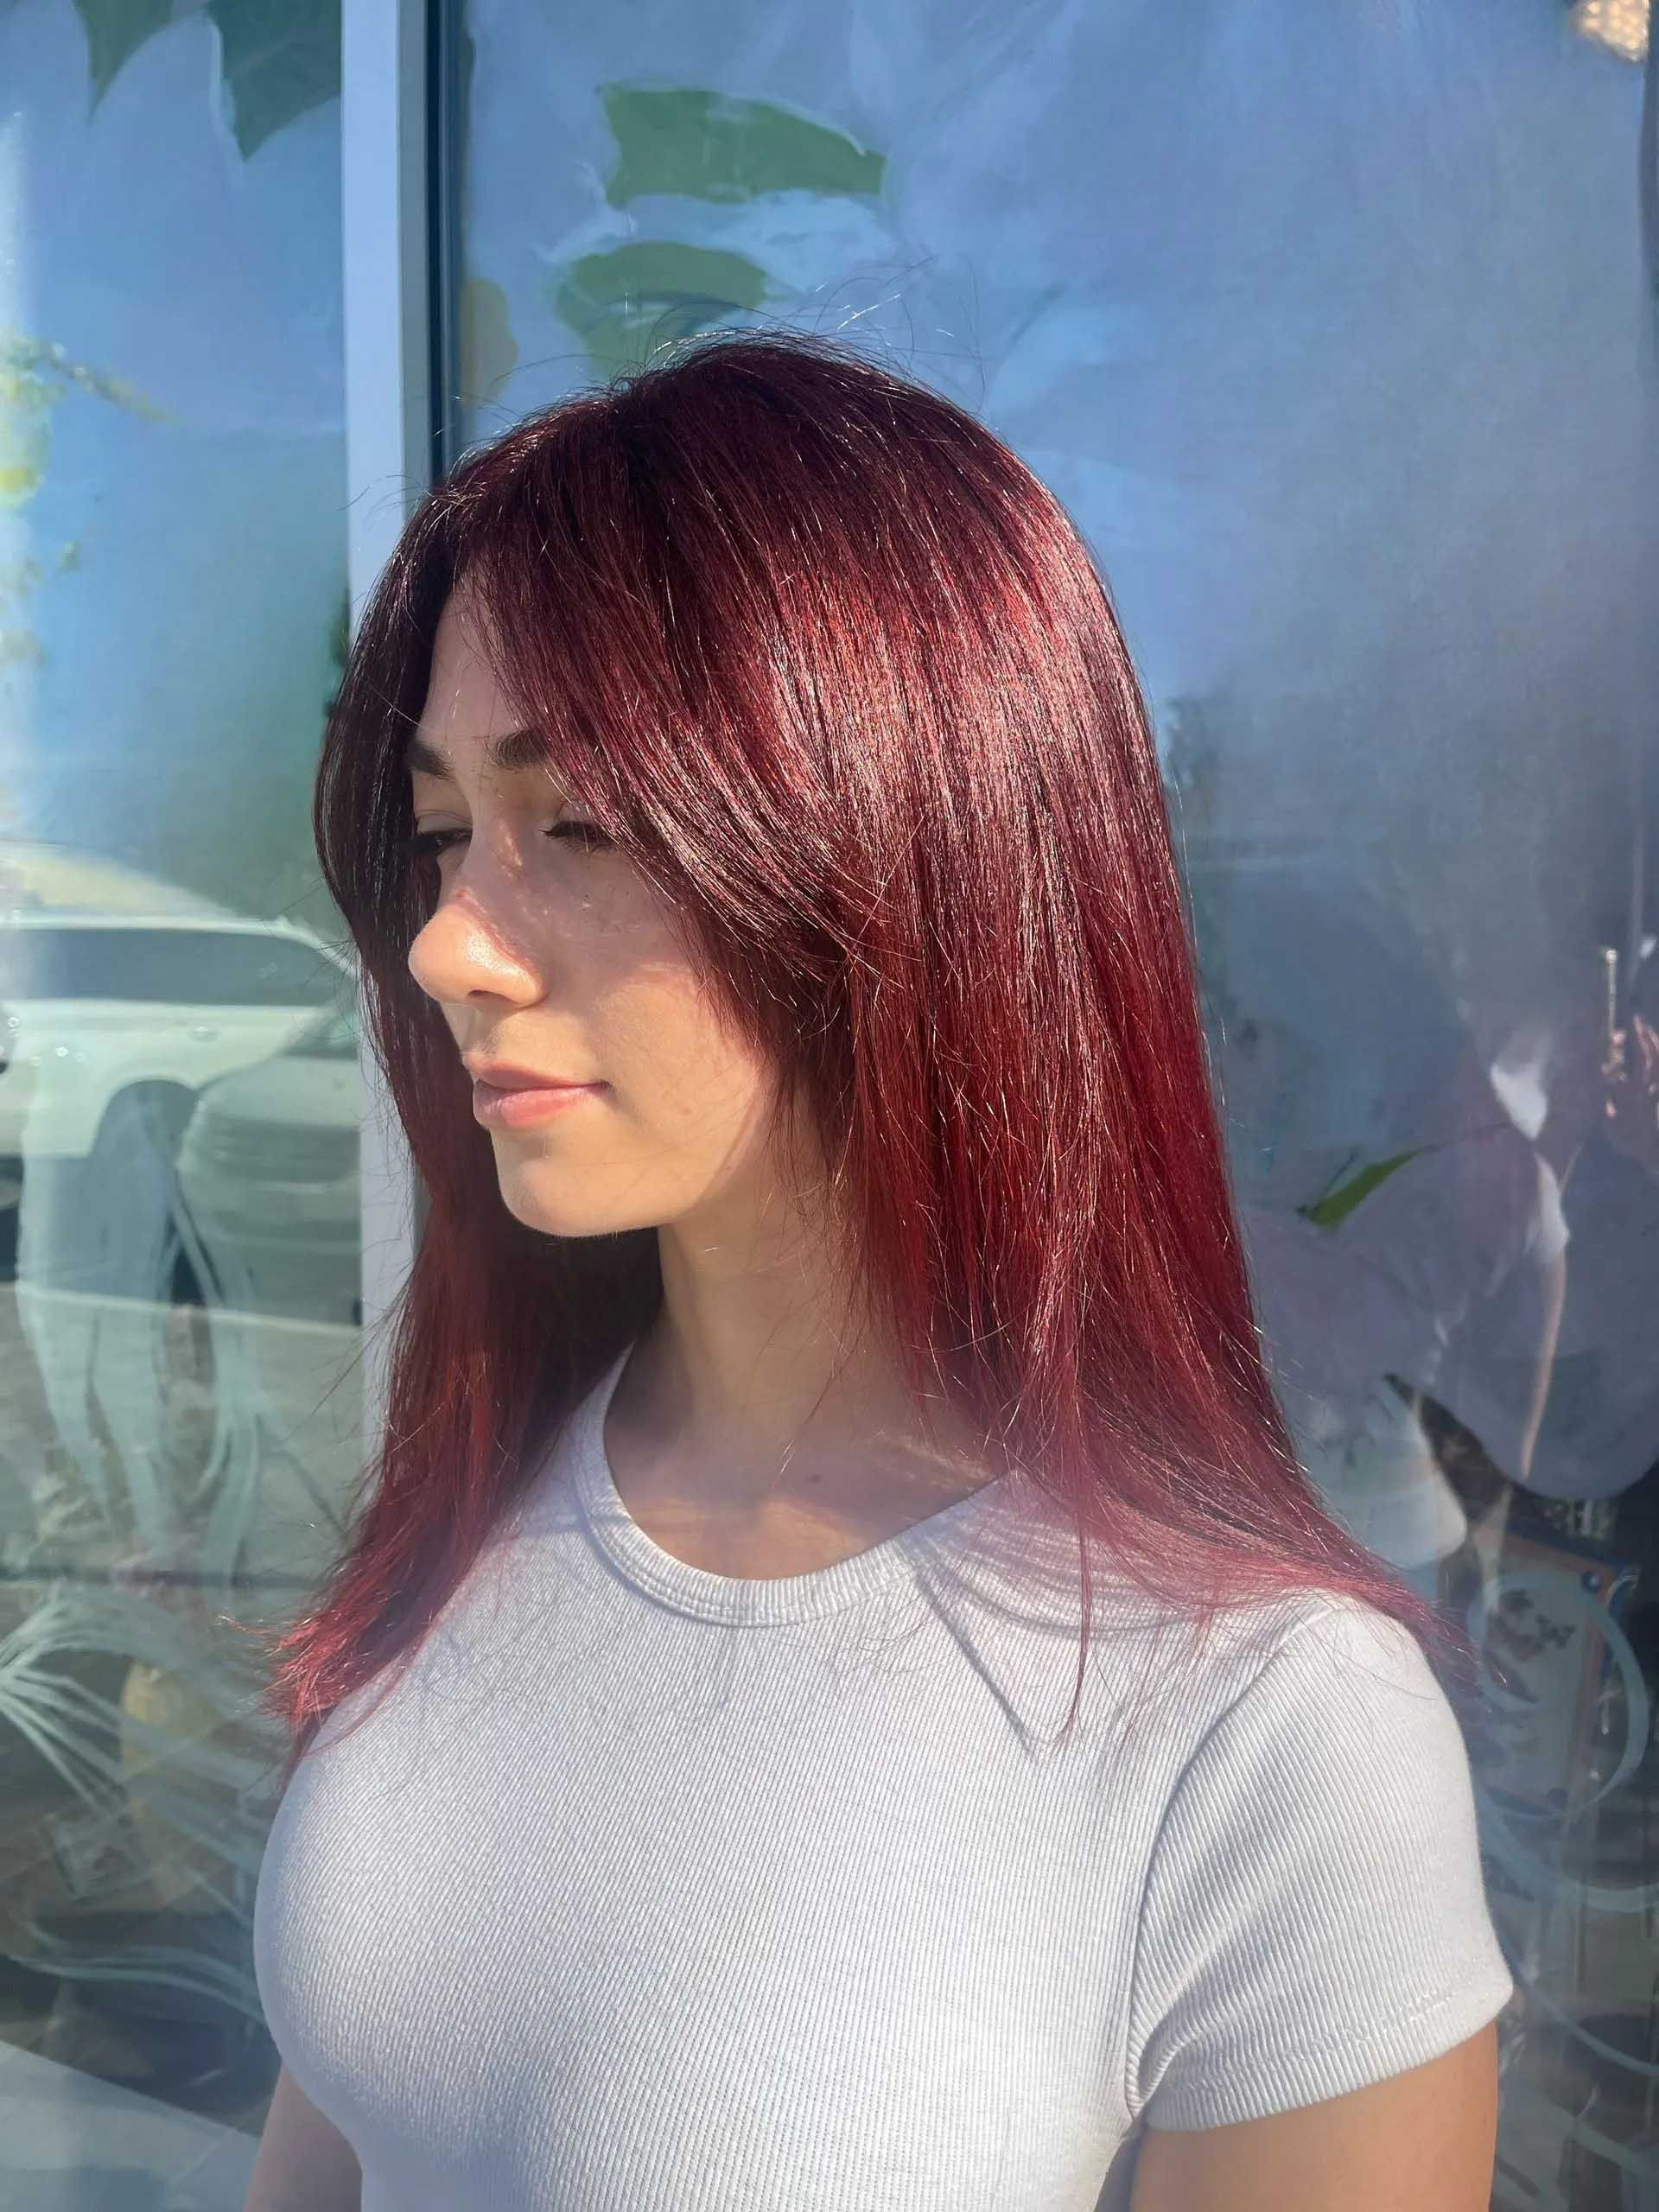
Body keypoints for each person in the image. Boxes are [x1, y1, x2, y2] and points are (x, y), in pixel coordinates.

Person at [242, 331, 1510, 2212]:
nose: (448, 947)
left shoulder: (1261, 1733)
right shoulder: (501, 1472)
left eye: (575, 823)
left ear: (906, 847)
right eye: (443, 832)